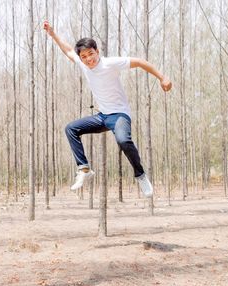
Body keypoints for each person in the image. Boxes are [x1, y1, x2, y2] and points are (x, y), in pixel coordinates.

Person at [43, 21, 172, 198]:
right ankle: (84, 169)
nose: (89, 59)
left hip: (119, 115)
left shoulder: (111, 63)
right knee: (71, 128)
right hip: (103, 117)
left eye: (91, 54)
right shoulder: (83, 64)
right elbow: (67, 50)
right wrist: (53, 34)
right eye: (85, 57)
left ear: (97, 52)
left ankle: (140, 175)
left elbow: (140, 62)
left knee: (123, 140)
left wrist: (162, 77)